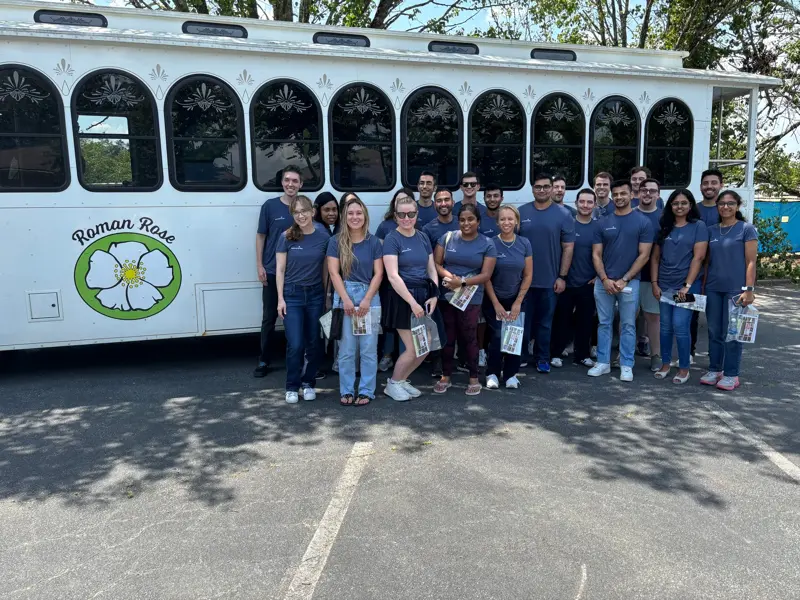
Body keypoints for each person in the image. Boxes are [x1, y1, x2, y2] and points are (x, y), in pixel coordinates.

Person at [589, 180, 653, 381]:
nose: (618, 197)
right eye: (615, 194)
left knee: (627, 325)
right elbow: (596, 255)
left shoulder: (643, 222)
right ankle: (603, 363)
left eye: (622, 194)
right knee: (604, 323)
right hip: (604, 283)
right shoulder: (602, 222)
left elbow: (644, 255)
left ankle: (626, 364)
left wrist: (625, 279)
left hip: (629, 283)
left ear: (630, 195)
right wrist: (605, 279)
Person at [434, 204, 497, 395]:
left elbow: (486, 275)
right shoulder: (447, 238)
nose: (466, 223)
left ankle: (473, 377)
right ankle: (446, 375)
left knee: (470, 337)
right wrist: (450, 278)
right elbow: (436, 263)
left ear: (478, 221)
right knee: (448, 336)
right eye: (462, 219)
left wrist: (461, 282)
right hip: (447, 295)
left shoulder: (487, 243)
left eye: (470, 219)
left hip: (471, 297)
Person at [327, 195, 384, 406]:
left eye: (359, 213)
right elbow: (334, 273)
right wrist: (346, 300)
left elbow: (379, 273)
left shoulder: (374, 242)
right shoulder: (335, 242)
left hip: (370, 296)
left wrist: (367, 299)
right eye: (350, 213)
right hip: (345, 296)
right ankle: (347, 390)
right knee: (347, 350)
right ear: (344, 216)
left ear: (365, 216)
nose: (355, 217)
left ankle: (367, 390)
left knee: (369, 350)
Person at [382, 194, 439, 401]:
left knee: (426, 345)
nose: (407, 218)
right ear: (395, 216)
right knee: (415, 347)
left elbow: (431, 268)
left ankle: (402, 379)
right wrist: (413, 303)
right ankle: (394, 383)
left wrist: (434, 295)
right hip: (402, 298)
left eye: (411, 214)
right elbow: (393, 276)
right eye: (402, 214)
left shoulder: (423, 237)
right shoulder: (391, 239)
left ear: (416, 214)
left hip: (424, 296)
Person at [701, 190, 758, 391]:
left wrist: (749, 289)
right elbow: (705, 262)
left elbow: (751, 261)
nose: (726, 207)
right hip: (713, 288)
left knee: (733, 333)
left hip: (736, 291)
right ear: (717, 206)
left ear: (738, 205)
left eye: (730, 203)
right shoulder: (711, 230)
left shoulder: (746, 229)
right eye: (722, 203)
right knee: (714, 331)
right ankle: (715, 369)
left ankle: (731, 374)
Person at [276, 195, 330, 403]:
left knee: (314, 342)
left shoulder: (323, 237)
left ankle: (308, 383)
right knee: (296, 344)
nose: (301, 215)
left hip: (316, 294)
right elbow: (280, 270)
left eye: (304, 211)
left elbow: (325, 269)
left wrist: (326, 295)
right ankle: (292, 386)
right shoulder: (286, 237)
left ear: (312, 211)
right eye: (296, 212)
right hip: (292, 295)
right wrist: (281, 299)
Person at [519, 173, 575, 373]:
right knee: (523, 323)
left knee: (545, 324)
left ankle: (543, 357)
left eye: (545, 187)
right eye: (537, 187)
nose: (541, 190)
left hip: (550, 281)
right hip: (523, 281)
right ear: (532, 189)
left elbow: (568, 247)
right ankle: (521, 356)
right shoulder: (521, 212)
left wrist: (562, 276)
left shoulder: (564, 214)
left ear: (551, 189)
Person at [651, 189, 708, 384]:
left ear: (690, 205)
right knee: (665, 327)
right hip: (664, 286)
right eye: (675, 203)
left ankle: (684, 368)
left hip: (686, 287)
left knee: (681, 326)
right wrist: (654, 283)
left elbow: (698, 257)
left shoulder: (698, 226)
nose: (679, 206)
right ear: (670, 206)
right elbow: (655, 258)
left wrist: (687, 285)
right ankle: (666, 364)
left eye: (684, 203)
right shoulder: (665, 227)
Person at [254, 166, 303, 378]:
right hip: (273, 271)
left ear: (301, 184)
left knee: (296, 318)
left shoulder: (304, 207)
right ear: (282, 182)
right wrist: (259, 265)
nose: (290, 184)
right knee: (269, 318)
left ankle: (298, 360)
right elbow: (260, 237)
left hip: (298, 273)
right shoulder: (270, 206)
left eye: (295, 181)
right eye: (287, 180)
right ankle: (264, 360)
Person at [484, 205, 533, 389]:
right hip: (494, 299)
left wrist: (518, 302)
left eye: (510, 219)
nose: (507, 222)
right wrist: (496, 303)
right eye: (503, 219)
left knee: (515, 336)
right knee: (497, 336)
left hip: (517, 299)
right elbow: (486, 276)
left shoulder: (524, 243)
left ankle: (511, 374)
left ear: (517, 221)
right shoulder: (490, 243)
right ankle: (492, 373)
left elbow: (528, 275)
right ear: (497, 222)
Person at [551, 189, 598, 368]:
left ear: (594, 205)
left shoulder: (598, 227)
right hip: (566, 281)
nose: (585, 205)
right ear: (576, 203)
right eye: (582, 202)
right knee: (561, 320)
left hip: (588, 282)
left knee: (585, 321)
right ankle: (555, 353)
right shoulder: (567, 224)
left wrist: (597, 276)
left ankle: (582, 355)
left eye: (589, 202)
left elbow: (603, 254)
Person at [376, 188, 418, 373]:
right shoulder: (386, 227)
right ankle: (388, 356)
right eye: (399, 205)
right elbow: (378, 250)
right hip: (391, 282)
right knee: (392, 323)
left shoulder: (418, 231)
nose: (406, 216)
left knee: (409, 330)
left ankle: (405, 365)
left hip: (415, 287)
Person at [635, 177, 664, 371]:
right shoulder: (628, 214)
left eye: (652, 191)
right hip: (629, 276)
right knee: (627, 318)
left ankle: (656, 356)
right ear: (638, 193)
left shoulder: (664, 218)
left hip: (652, 277)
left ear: (658, 195)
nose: (647, 193)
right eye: (644, 190)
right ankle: (623, 354)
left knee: (653, 318)